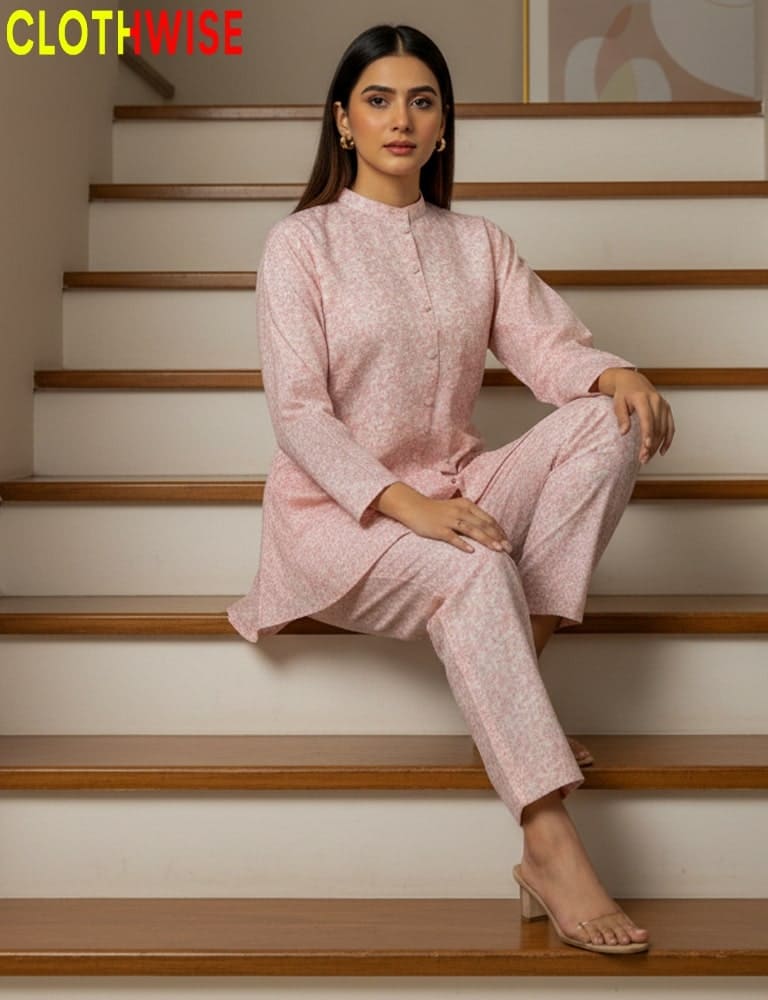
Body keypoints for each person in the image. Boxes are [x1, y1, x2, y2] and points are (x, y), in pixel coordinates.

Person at [227, 23, 675, 954]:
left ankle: (516, 691)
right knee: (473, 568)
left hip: (459, 482)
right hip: (341, 515)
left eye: (422, 101)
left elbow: (549, 349)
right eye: (379, 99)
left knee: (608, 422)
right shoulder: (300, 244)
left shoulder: (479, 243)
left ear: (442, 125)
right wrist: (409, 508)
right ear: (343, 121)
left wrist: (615, 373)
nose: (401, 118)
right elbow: (299, 415)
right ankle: (547, 840)